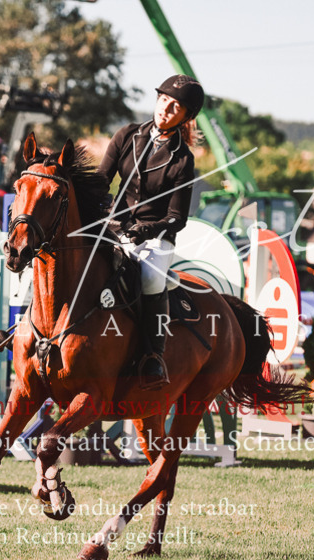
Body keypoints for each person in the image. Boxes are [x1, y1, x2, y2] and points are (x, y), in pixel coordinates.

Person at [98, 74, 205, 390]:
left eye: (176, 107)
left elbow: (177, 217)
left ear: (185, 117)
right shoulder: (126, 135)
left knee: (150, 278)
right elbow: (101, 182)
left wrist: (149, 229)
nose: (167, 109)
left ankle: (153, 355)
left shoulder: (183, 160)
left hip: (155, 239)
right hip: (114, 227)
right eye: (164, 100)